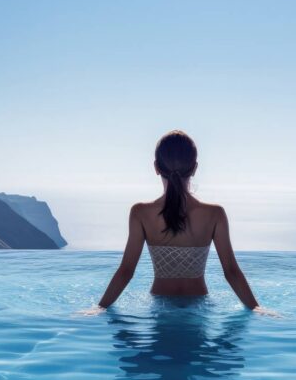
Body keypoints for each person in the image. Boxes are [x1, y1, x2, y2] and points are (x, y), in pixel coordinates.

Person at [94, 130, 267, 312]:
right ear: (194, 168)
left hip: (159, 307)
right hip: (199, 307)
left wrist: (100, 307)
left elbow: (126, 271)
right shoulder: (215, 214)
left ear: (156, 167)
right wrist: (256, 308)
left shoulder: (140, 213)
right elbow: (231, 272)